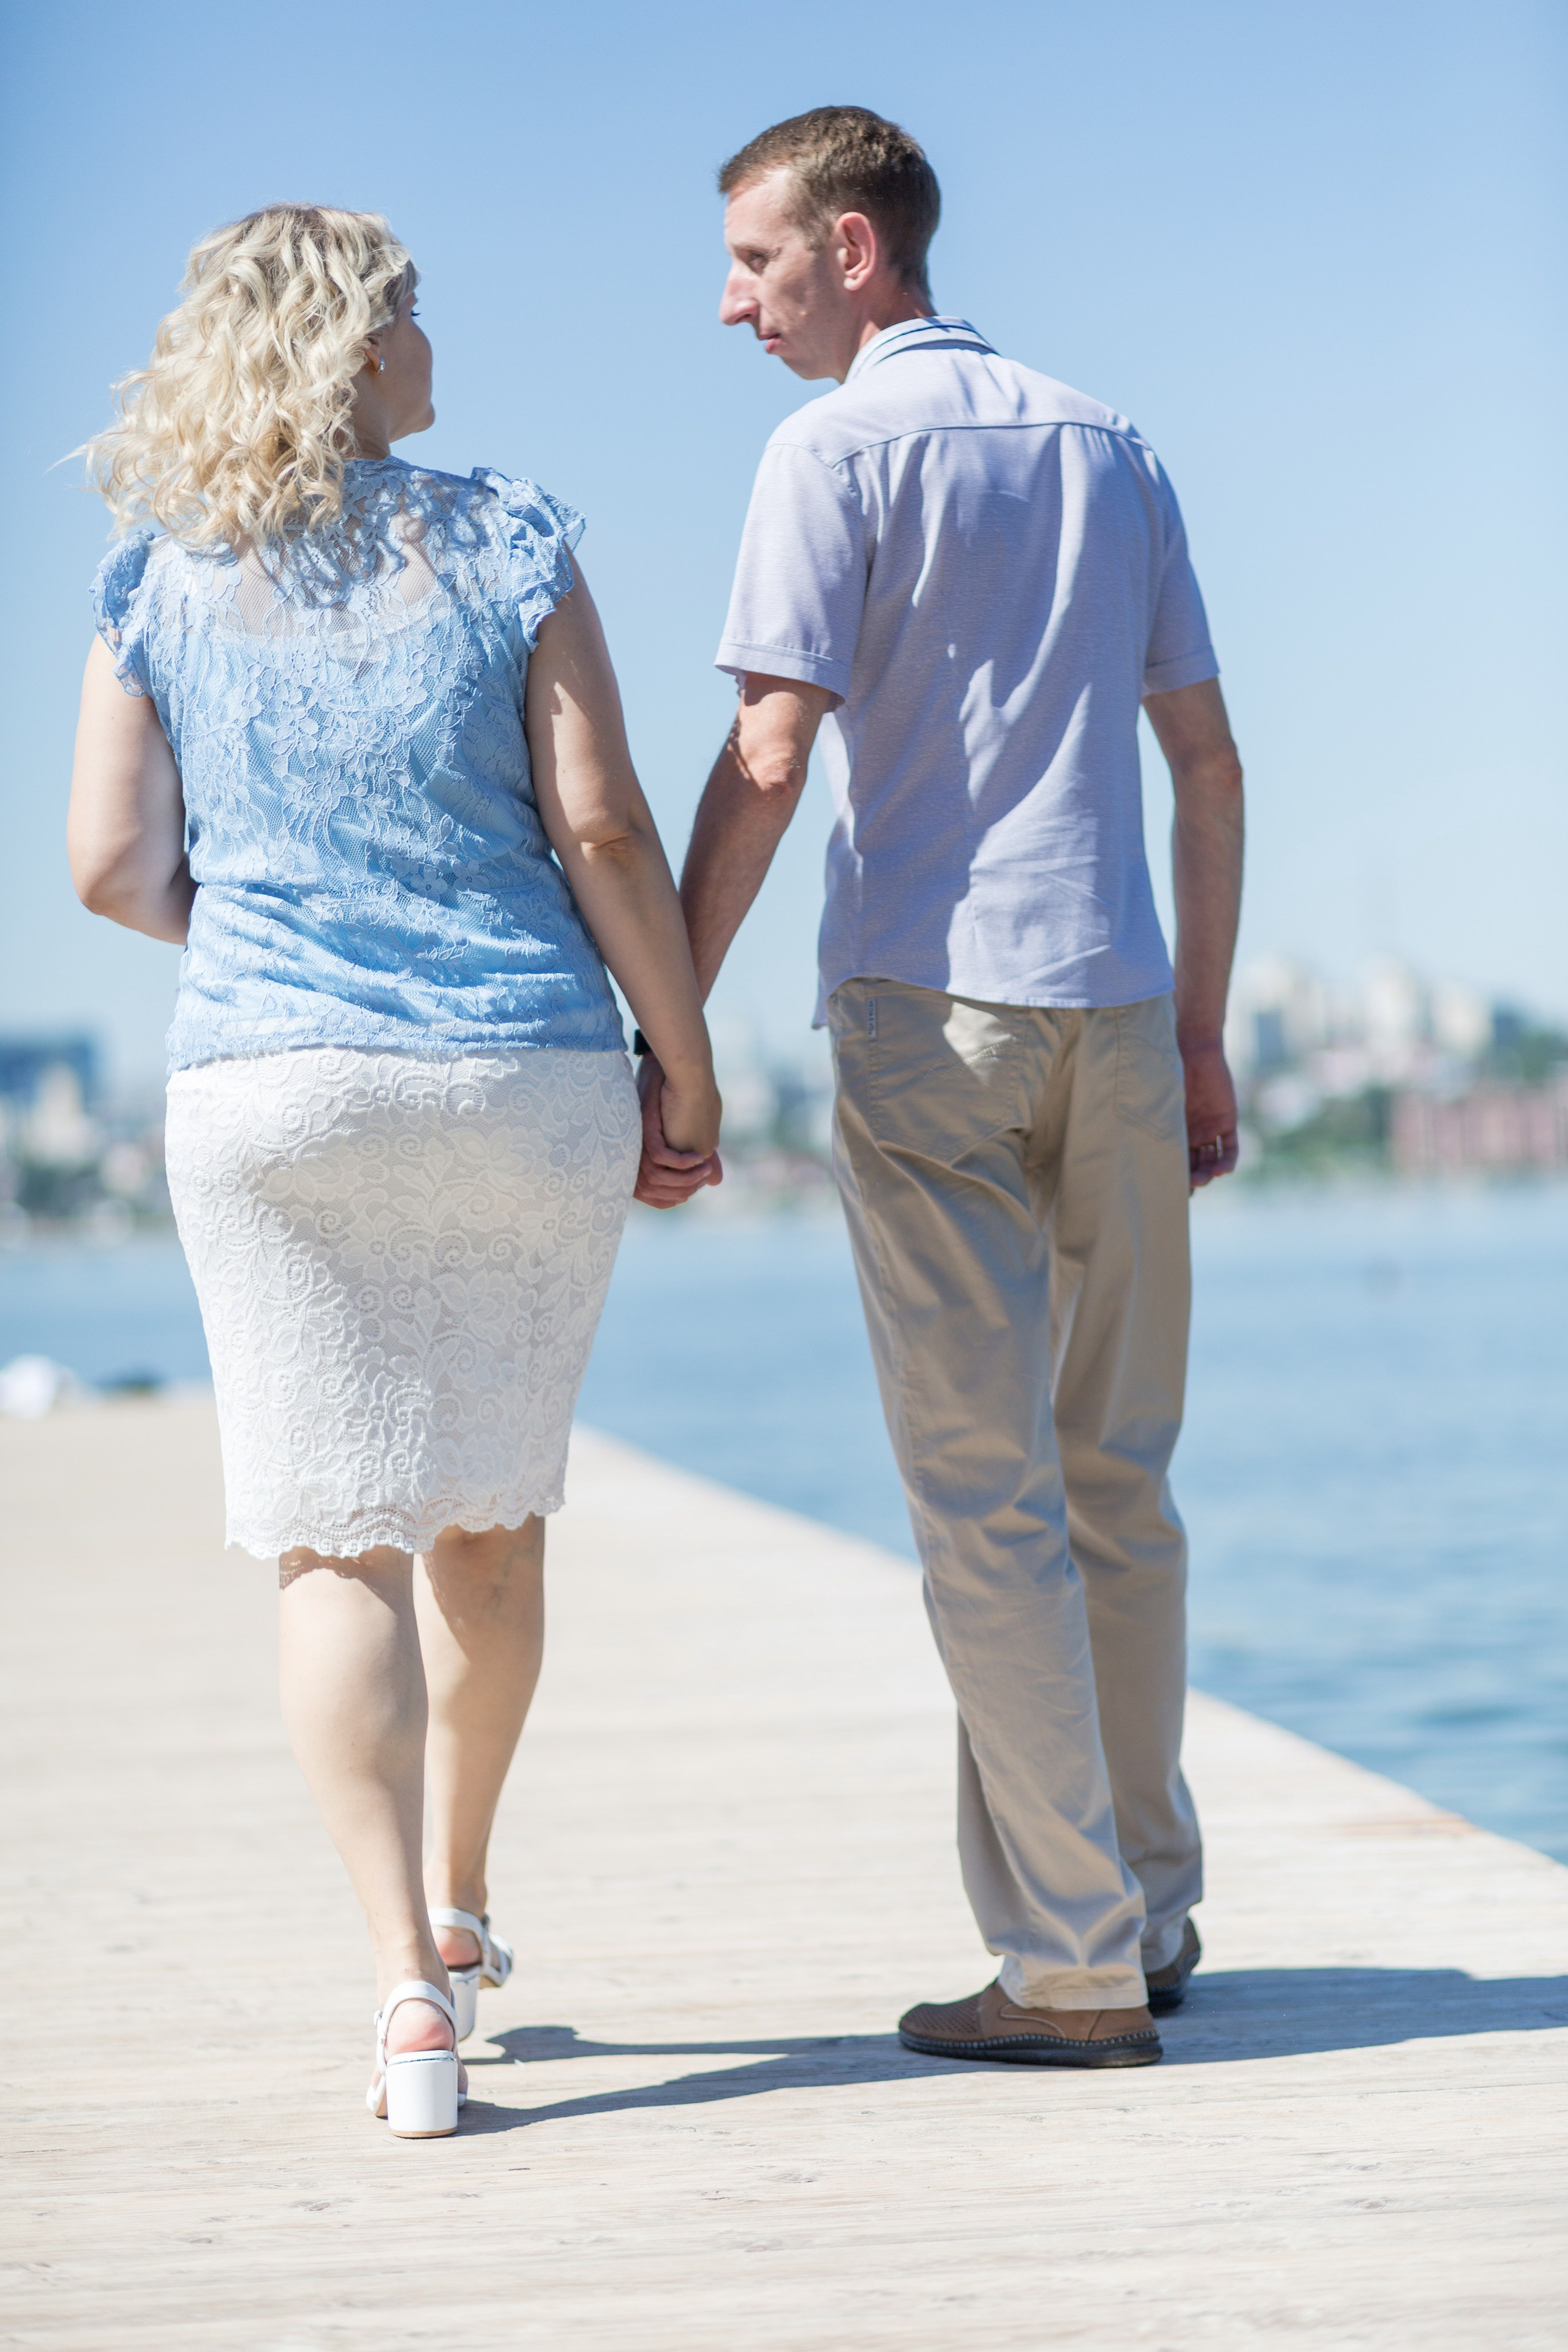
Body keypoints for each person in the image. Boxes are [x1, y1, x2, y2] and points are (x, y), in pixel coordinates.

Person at [69, 205, 720, 2136]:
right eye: (411, 308)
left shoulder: (156, 573)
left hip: (272, 1088)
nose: (436, 335)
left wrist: (281, 948)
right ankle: (467, 1892)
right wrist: (682, 1068)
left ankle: (403, 2000)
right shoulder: (509, 534)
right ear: (350, 345)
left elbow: (106, 867)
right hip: (519, 1069)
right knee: (491, 1520)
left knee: (326, 1534)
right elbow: (600, 826)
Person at [641, 108, 1244, 2067]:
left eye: (755, 259)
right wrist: (1210, 1029)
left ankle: (1068, 1964)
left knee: (988, 1503)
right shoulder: (1110, 439)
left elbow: (768, 750)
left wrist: (674, 1016)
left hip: (929, 1008)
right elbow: (1208, 765)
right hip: (1125, 1010)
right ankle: (1146, 1913)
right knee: (1119, 1487)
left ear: (854, 246)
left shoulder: (829, 452)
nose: (731, 301)